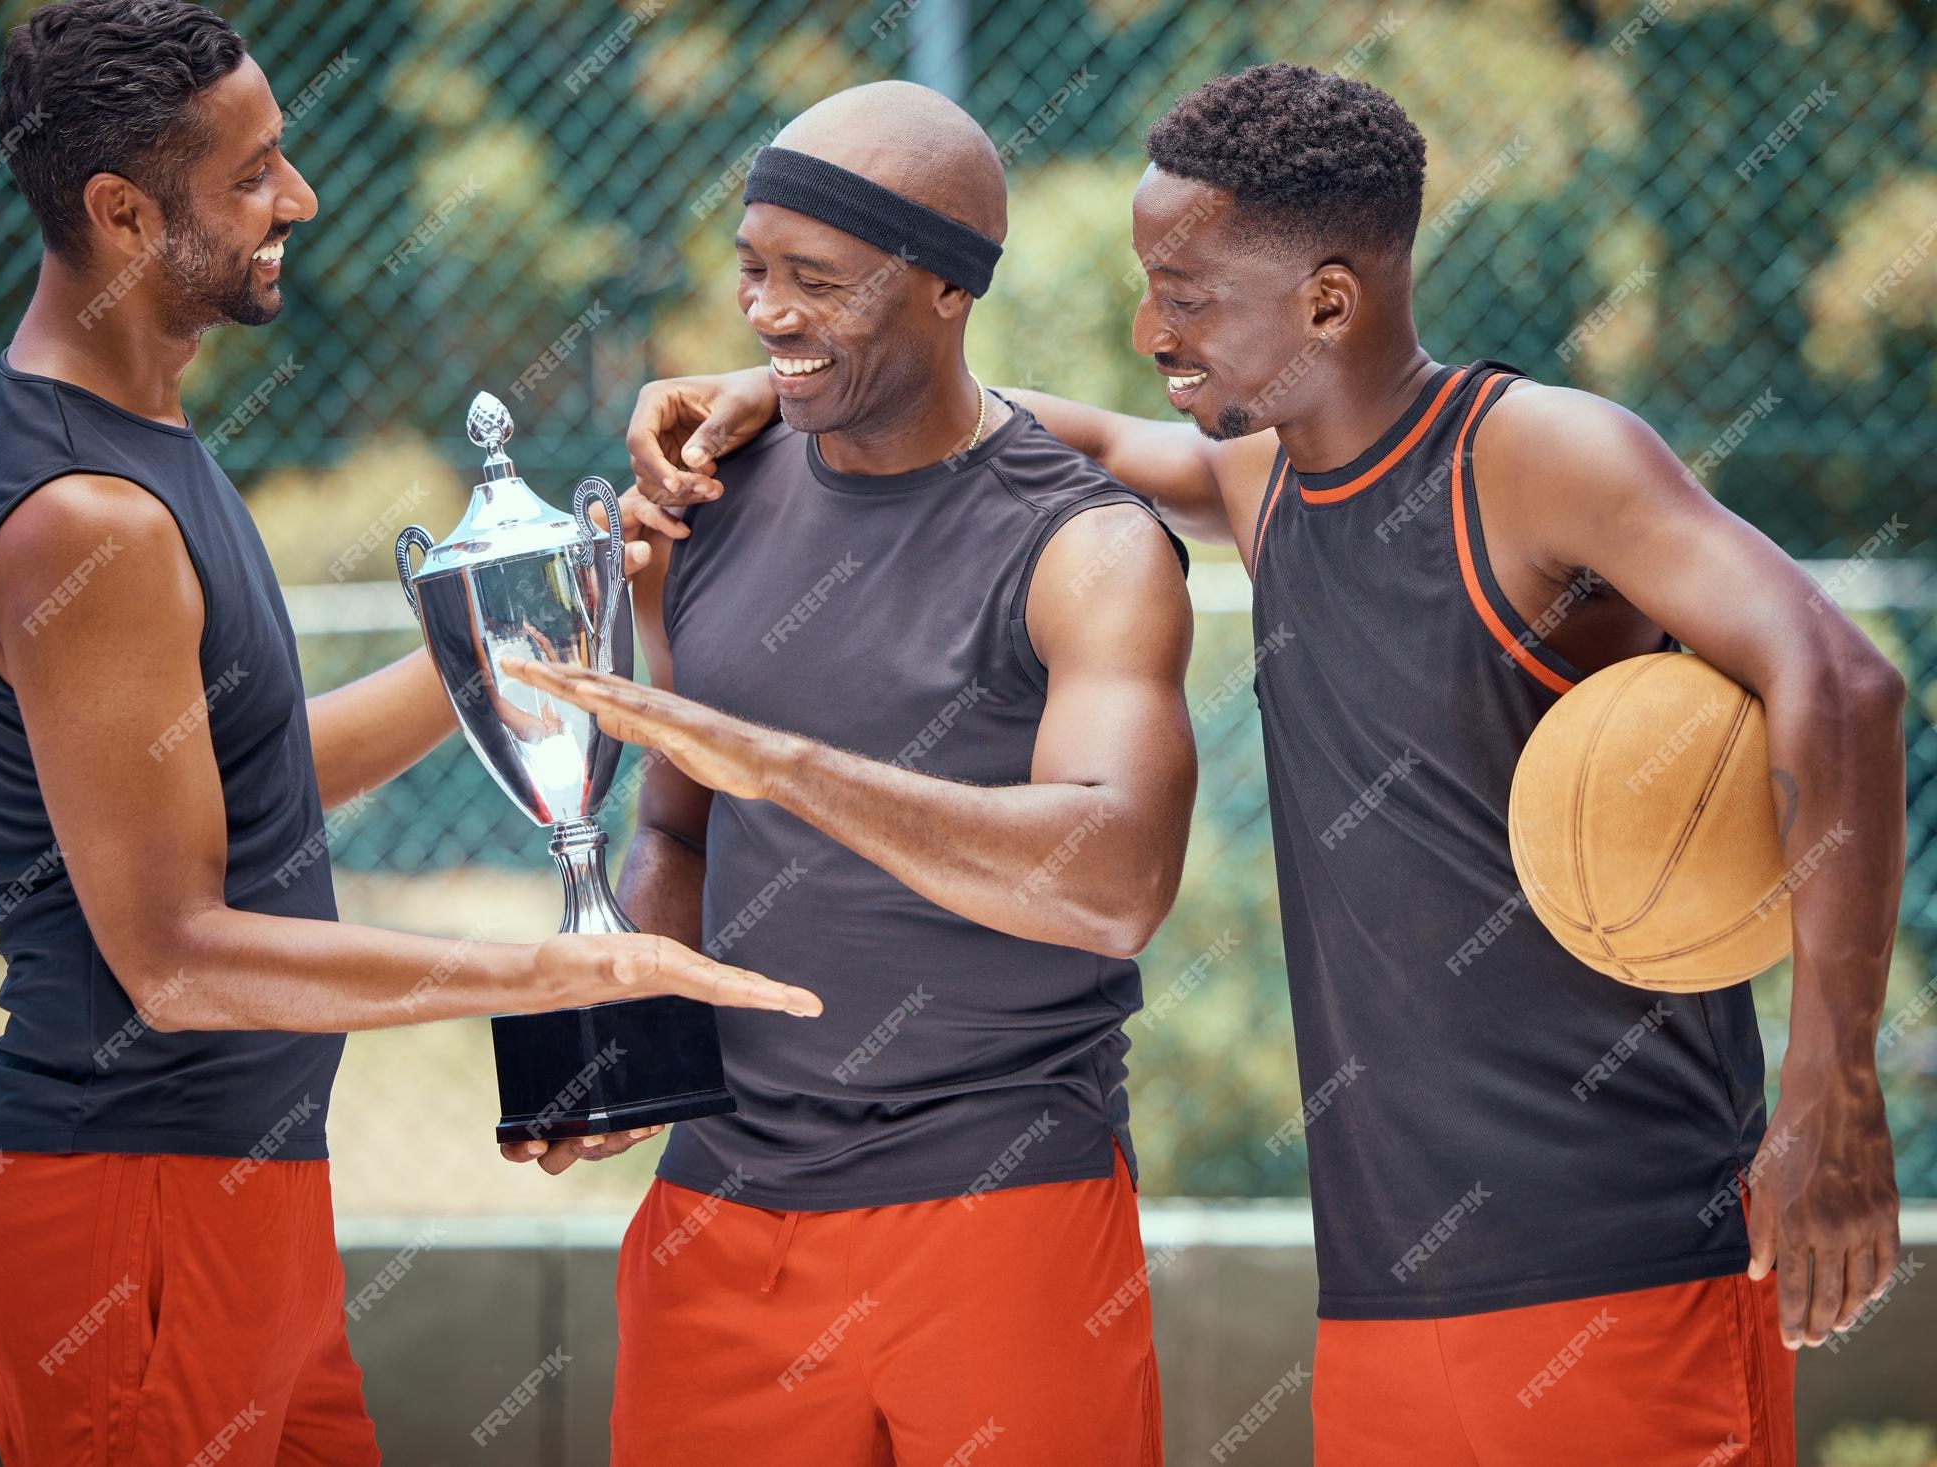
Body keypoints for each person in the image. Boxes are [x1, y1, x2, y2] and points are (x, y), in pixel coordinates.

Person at [622, 62, 1907, 1467]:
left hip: (1634, 1249)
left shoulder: (1540, 456)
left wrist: (1833, 1093)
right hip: (1384, 1292)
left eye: (1184, 291)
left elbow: (1841, 679)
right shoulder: (1264, 477)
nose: (1146, 324)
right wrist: (783, 371)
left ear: (1330, 301)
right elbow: (1020, 423)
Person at [0, 4, 817, 1460]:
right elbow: (175, 956)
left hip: (238, 1196)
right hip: (123, 1213)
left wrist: (541, 622)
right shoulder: (77, 517)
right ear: (117, 211)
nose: (301, 198)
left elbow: (262, 780)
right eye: (253, 172)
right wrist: (542, 972)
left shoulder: (146, 443)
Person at [502, 80, 1196, 1466]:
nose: (767, 314)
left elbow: (1113, 882)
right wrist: (619, 1022)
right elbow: (679, 835)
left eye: (816, 280)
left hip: (1002, 1210)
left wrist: (781, 762)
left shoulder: (1086, 547)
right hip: (727, 1216)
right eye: (754, 270)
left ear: (947, 286)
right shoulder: (706, 502)